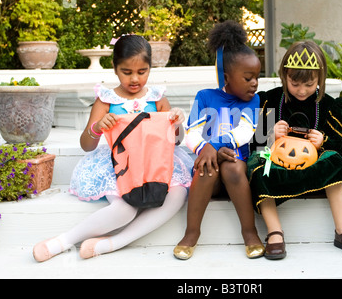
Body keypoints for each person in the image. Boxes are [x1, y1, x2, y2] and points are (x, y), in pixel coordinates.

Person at [33, 34, 193, 262]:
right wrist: (98, 127)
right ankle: (63, 241)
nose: (135, 78)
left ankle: (114, 243)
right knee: (125, 208)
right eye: (127, 72)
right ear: (115, 68)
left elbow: (174, 141)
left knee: (177, 194)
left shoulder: (157, 98)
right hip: (120, 164)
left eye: (142, 71)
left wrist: (177, 123)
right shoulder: (107, 100)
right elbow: (86, 145)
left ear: (150, 68)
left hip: (154, 162)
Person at [247, 40, 342, 259]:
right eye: (295, 84)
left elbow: (341, 148)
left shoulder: (329, 106)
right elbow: (253, 145)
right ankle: (275, 231)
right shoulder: (271, 100)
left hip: (314, 169)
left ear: (320, 80)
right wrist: (269, 134)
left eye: (309, 84)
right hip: (278, 168)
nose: (302, 90)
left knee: (333, 160)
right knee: (258, 165)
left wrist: (322, 141)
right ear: (284, 75)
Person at [173, 21, 264, 260]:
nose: (254, 83)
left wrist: (216, 145)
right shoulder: (205, 97)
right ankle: (191, 233)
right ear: (227, 77)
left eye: (257, 76)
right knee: (205, 166)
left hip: (236, 164)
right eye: (248, 78)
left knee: (232, 166)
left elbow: (245, 131)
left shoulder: (252, 101)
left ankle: (250, 232)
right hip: (209, 167)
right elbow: (191, 132)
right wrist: (206, 148)